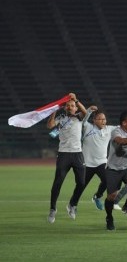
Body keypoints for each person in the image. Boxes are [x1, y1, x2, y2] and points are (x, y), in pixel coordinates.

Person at [46, 93, 88, 223]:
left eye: (72, 106)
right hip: (64, 154)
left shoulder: (79, 117)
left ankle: (72, 204)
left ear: (75, 108)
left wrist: (77, 100)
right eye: (68, 105)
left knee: (81, 183)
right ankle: (53, 209)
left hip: (77, 154)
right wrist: (53, 111)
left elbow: (86, 112)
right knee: (58, 183)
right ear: (65, 108)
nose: (70, 107)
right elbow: (50, 126)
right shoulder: (61, 118)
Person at [78, 108, 117, 211]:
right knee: (81, 186)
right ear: (94, 120)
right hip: (87, 164)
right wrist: (89, 111)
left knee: (107, 181)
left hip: (102, 163)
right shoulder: (88, 127)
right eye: (100, 119)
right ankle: (73, 205)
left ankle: (97, 196)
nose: (103, 121)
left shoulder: (109, 129)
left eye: (104, 119)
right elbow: (84, 120)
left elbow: (123, 127)